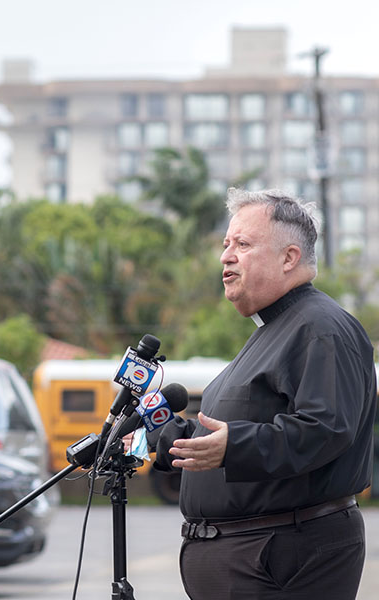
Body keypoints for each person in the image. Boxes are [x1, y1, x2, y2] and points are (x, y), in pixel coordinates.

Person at [154, 188, 377, 600]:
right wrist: (168, 436)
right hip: (250, 558)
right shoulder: (272, 331)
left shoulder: (320, 327)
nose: (225, 256)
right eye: (225, 245)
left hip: (282, 557)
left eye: (242, 244)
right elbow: (240, 430)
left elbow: (325, 428)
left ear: (289, 257)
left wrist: (232, 446)